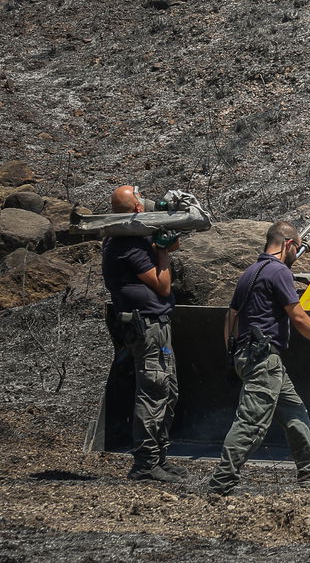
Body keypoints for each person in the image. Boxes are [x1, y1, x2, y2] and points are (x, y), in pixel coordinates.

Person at [207, 222, 310, 495]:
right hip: (264, 359)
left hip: (253, 355)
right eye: (297, 248)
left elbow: (231, 317)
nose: (297, 254)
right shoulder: (279, 272)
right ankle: (221, 481)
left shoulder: (250, 272)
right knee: (251, 421)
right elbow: (297, 315)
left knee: (294, 411)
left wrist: (232, 354)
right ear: (288, 244)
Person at [100, 185, 184, 483]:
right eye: (140, 197)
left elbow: (168, 249)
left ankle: (158, 457)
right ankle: (146, 463)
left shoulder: (129, 239)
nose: (145, 200)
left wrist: (164, 242)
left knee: (166, 391)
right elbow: (162, 285)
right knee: (152, 392)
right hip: (147, 326)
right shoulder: (127, 246)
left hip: (154, 325)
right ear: (136, 209)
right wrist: (160, 251)